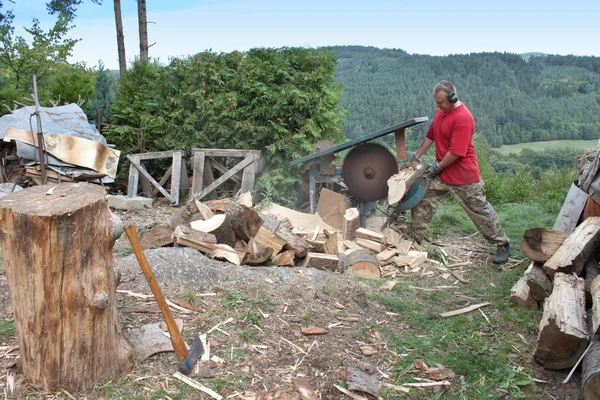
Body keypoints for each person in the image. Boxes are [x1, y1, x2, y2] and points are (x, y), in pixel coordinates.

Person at [408, 80, 511, 265]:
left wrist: (437, 167)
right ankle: (416, 235)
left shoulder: (463, 118)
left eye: (441, 102)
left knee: (479, 210)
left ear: (452, 97)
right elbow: (430, 136)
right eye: (436, 102)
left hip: (463, 175)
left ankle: (502, 244)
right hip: (443, 170)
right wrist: (415, 156)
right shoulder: (441, 112)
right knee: (421, 196)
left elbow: (455, 152)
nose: (438, 106)